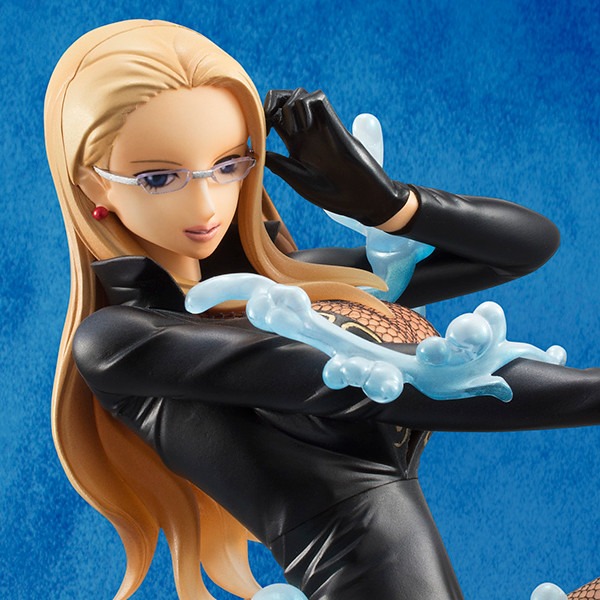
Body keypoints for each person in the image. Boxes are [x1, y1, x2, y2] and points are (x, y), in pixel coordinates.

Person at [45, 19, 600, 600]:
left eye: (229, 165)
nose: (206, 203)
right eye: (159, 178)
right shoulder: (120, 340)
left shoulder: (294, 286)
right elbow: (367, 384)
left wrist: (390, 204)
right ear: (93, 184)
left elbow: (526, 246)